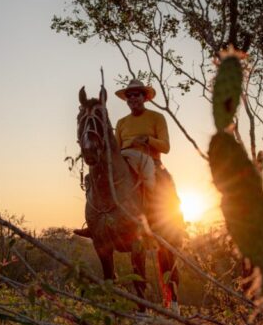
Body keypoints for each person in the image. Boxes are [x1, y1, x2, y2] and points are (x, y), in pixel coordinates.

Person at [75, 79, 183, 237]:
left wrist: (148, 139)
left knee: (158, 181)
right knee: (91, 178)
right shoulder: (121, 122)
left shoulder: (157, 117)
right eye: (129, 95)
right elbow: (116, 148)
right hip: (124, 157)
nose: (132, 98)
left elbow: (165, 147)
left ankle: (155, 220)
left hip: (149, 159)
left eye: (136, 94)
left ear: (144, 97)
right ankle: (94, 222)